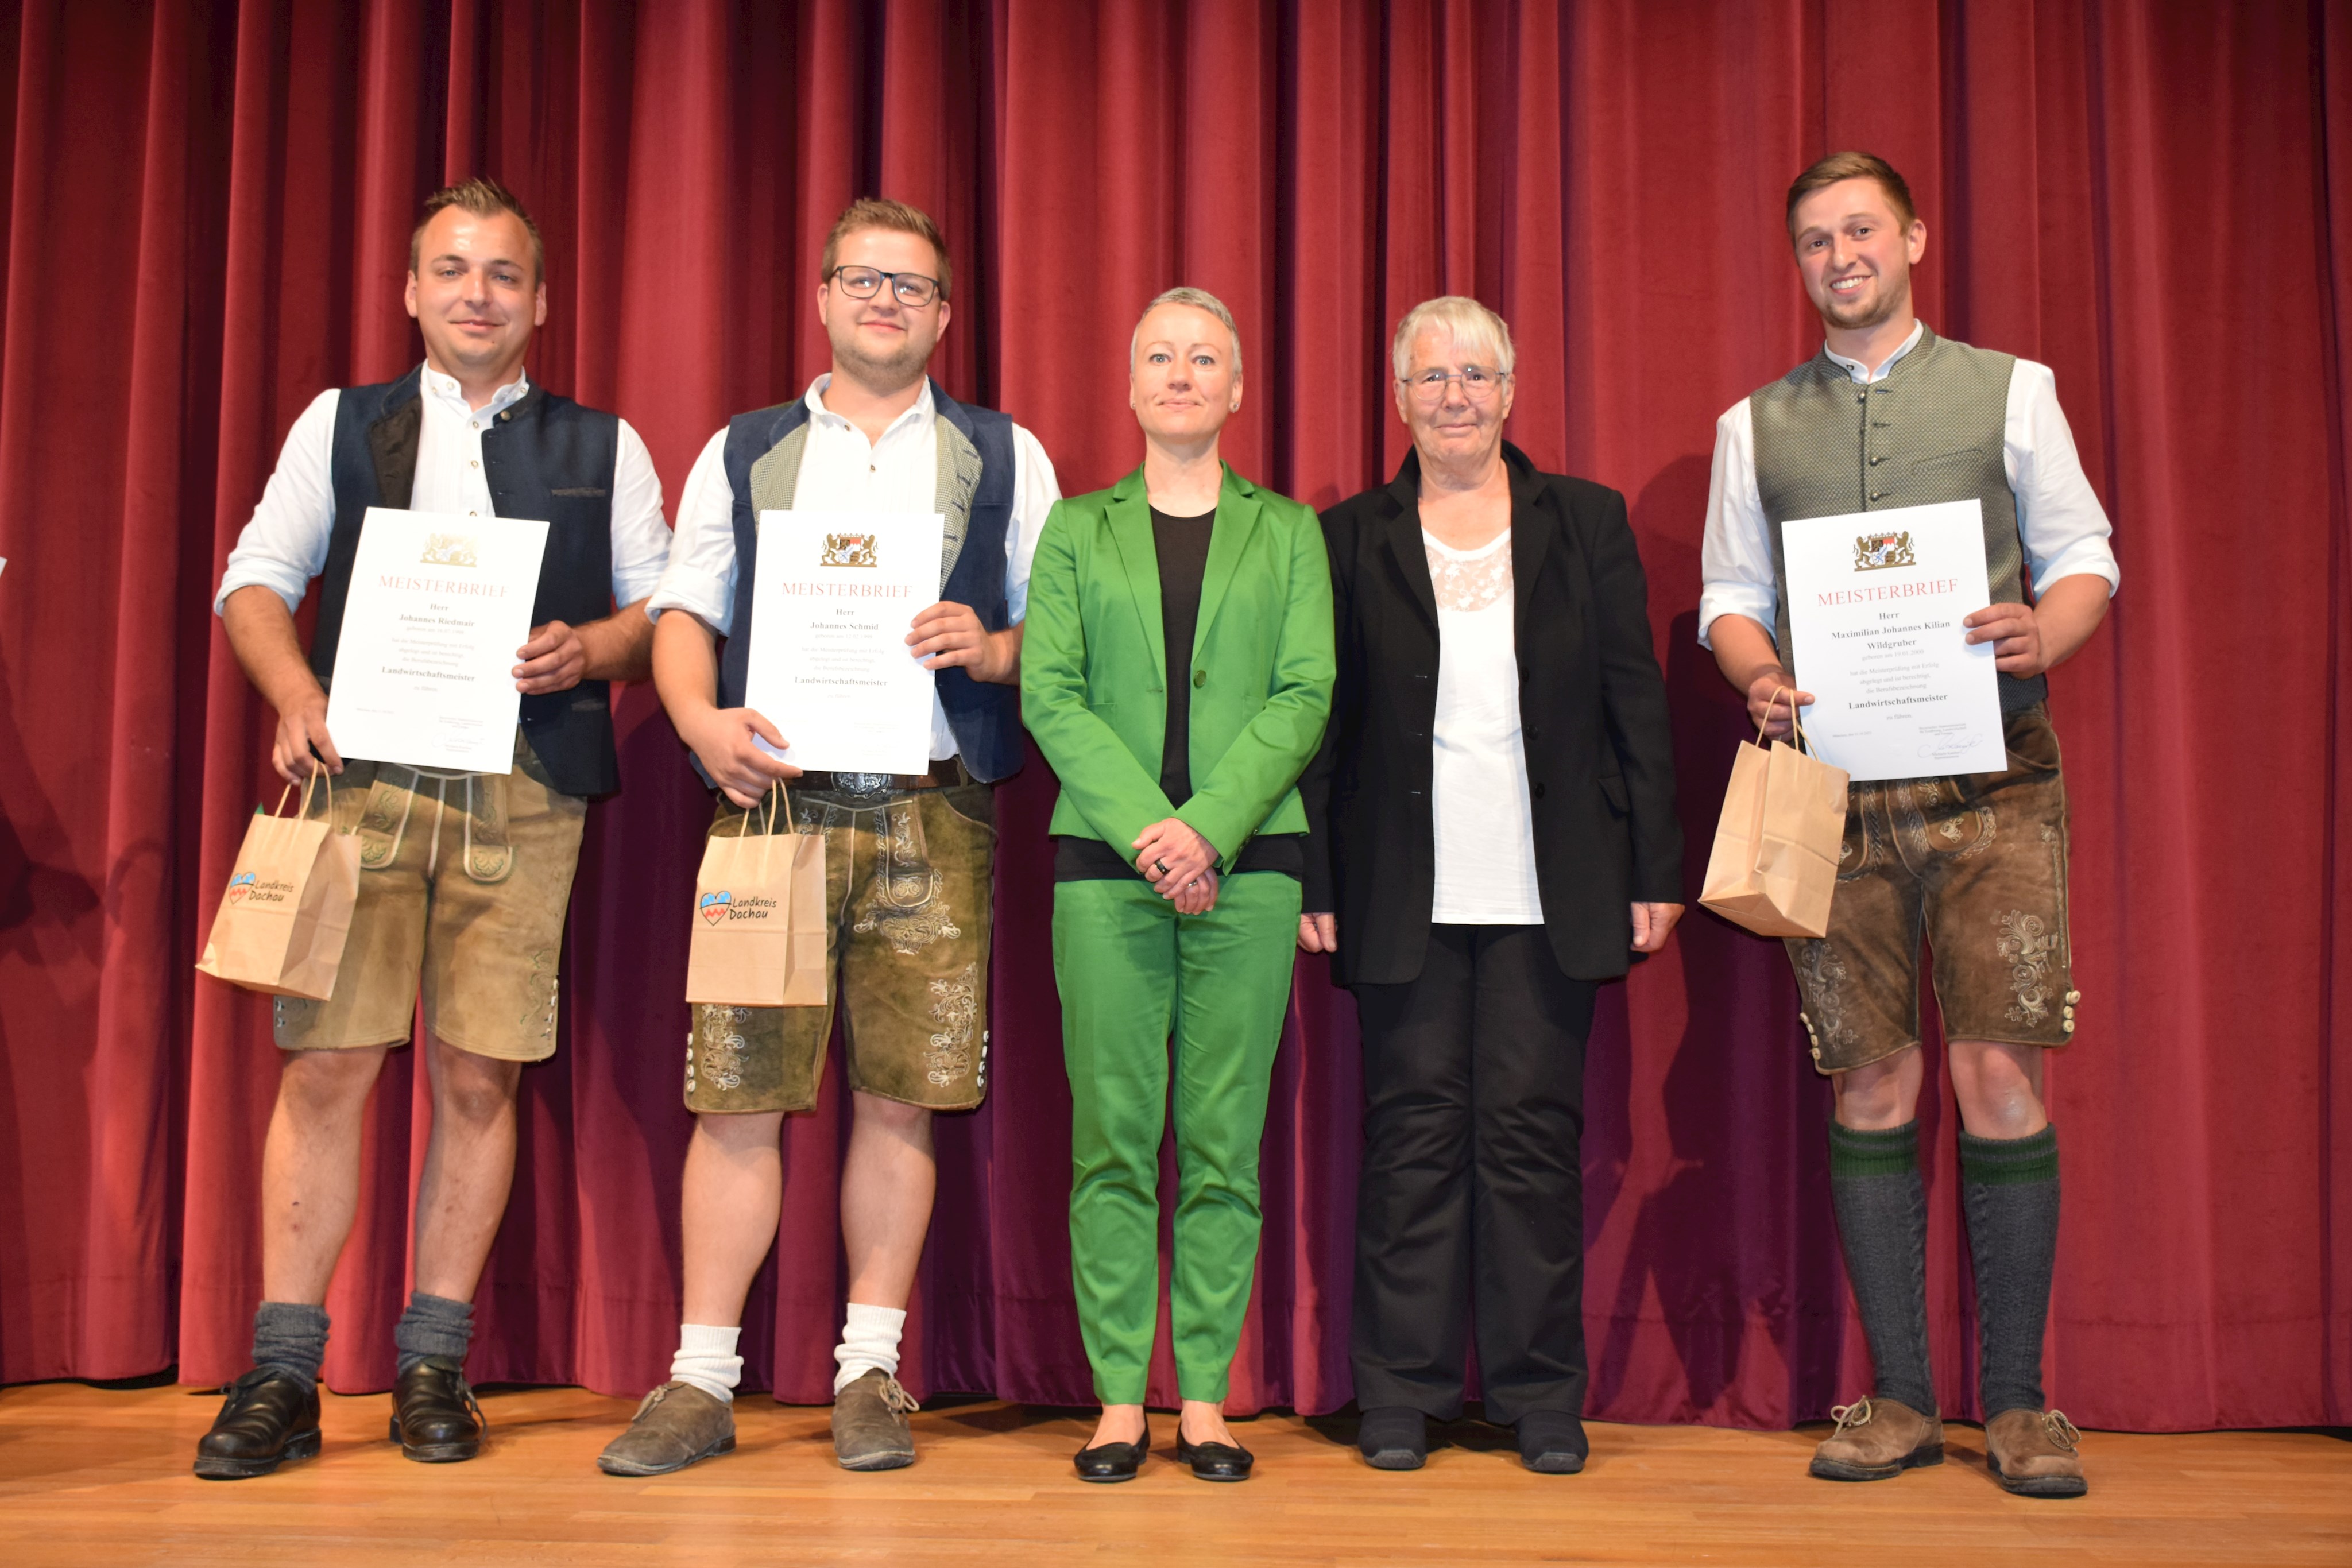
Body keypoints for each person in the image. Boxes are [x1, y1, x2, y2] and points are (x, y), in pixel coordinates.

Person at [200, 177, 670, 1477]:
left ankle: (432, 1363)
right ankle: (283, 1372)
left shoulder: (604, 444)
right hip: (359, 783)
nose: (478, 294)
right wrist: (295, 691)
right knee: (328, 1065)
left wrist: (594, 647)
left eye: (504, 274)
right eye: (453, 271)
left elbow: (664, 612)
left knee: (479, 1072)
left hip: (525, 787)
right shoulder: (341, 424)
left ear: (538, 298)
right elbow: (253, 577)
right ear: (411, 290)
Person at [595, 197, 1059, 1477]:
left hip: (934, 806)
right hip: (772, 813)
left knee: (899, 1101)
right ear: (822, 299)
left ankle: (870, 1368)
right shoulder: (744, 448)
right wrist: (697, 724)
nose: (885, 303)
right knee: (736, 1092)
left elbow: (1054, 635)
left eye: (910, 287)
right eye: (863, 280)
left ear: (944, 315)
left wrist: (994, 646)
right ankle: (699, 1379)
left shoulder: (1003, 455)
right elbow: (687, 609)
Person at [1699, 151, 2118, 1498]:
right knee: (1868, 1078)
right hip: (1837, 797)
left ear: (1913, 239)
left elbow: (2086, 558)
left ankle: (2018, 1405)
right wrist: (1754, 672)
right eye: (1814, 239)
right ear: (1797, 261)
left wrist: (2035, 632)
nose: (1839, 255)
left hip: (1995, 784)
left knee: (1997, 1077)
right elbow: (1726, 591)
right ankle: (1892, 1396)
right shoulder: (1749, 425)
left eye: (1860, 230)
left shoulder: (2014, 390)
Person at [1301, 296, 1682, 1476]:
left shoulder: (1582, 522)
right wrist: (1312, 872)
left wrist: (1655, 866)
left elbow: (1634, 701)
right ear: (1401, 397)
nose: (1454, 394)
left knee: (1528, 1142)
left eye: (1475, 373)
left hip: (1547, 884)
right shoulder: (1346, 534)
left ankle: (1536, 1393)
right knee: (1409, 1142)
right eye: (1431, 376)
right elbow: (1319, 722)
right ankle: (1402, 1392)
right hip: (1396, 889)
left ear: (1510, 391)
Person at [1022, 287, 1333, 1484]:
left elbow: (1302, 695)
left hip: (1249, 870)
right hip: (1103, 875)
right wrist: (1152, 831)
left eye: (1206, 357)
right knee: (1109, 1142)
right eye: (1160, 353)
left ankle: (1201, 1395)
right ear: (1132, 381)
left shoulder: (1289, 531)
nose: (1182, 373)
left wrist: (1203, 829)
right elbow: (1049, 692)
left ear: (1237, 388)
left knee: (1219, 1143)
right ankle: (1115, 1399)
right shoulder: (1073, 529)